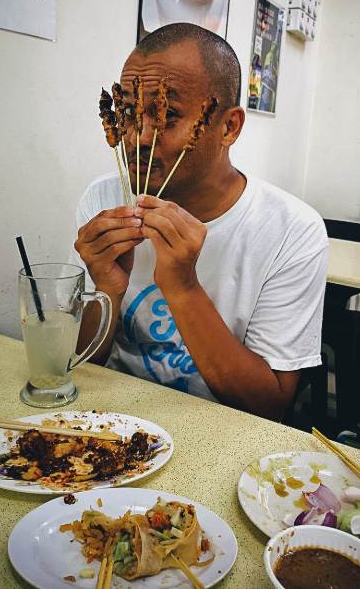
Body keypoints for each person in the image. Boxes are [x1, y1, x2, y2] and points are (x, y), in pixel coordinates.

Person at [71, 23, 328, 421]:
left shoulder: (292, 231)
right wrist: (107, 288)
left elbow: (270, 405)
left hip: (219, 435)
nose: (138, 136)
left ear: (229, 127)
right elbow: (79, 367)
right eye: (128, 112)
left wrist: (183, 287)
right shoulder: (103, 200)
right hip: (110, 425)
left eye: (166, 115)